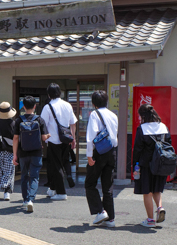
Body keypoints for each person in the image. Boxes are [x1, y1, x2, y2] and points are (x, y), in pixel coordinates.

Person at [132, 104, 170, 227]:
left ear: (142, 116)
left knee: (147, 191)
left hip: (146, 164)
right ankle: (160, 208)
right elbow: (168, 144)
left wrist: (135, 165)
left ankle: (150, 220)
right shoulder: (163, 126)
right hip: (161, 163)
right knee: (157, 189)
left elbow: (137, 149)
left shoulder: (142, 129)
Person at [85, 90, 119, 226]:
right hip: (112, 151)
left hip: (98, 152)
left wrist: (89, 155)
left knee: (89, 183)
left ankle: (100, 211)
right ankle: (110, 219)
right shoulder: (113, 115)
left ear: (93, 103)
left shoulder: (94, 114)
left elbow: (90, 137)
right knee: (108, 185)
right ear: (106, 101)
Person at [12, 96, 50, 213]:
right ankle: (31, 200)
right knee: (34, 176)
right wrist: (49, 135)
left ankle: (25, 199)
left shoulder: (19, 120)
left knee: (24, 176)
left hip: (23, 152)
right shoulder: (39, 120)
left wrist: (15, 155)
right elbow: (44, 137)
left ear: (23, 107)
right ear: (35, 106)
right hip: (36, 152)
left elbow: (15, 138)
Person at [40, 83, 77, 201]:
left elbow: (42, 124)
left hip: (53, 140)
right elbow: (73, 123)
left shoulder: (48, 107)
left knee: (56, 166)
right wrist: (73, 138)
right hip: (66, 139)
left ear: (49, 94)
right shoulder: (67, 105)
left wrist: (43, 138)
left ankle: (61, 192)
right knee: (61, 163)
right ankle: (52, 189)